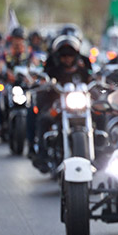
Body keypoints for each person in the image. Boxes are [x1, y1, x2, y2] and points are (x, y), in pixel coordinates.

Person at [33, 35, 93, 172]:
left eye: (70, 55)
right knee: (44, 119)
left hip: (82, 104)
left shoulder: (83, 66)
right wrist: (44, 83)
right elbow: (43, 81)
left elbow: (92, 79)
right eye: (64, 55)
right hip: (58, 104)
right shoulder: (52, 68)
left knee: (100, 114)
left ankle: (102, 148)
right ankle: (42, 156)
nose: (67, 58)